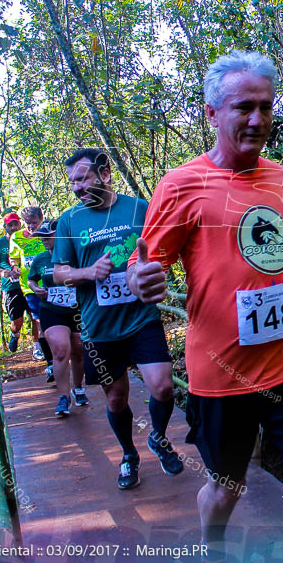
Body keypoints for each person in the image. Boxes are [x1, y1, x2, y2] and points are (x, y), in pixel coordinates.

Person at [126, 51, 283, 563]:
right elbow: (146, 262)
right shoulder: (181, 185)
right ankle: (212, 549)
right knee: (227, 489)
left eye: (266, 107)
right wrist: (141, 278)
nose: (257, 119)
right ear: (212, 114)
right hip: (222, 375)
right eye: (243, 107)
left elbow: (270, 242)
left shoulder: (275, 176)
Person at [53, 148, 183, 489]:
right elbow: (58, 274)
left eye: (83, 178)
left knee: (163, 386)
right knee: (116, 397)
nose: (77, 188)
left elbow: (161, 251)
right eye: (72, 182)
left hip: (141, 317)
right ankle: (129, 455)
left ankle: (158, 437)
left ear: (105, 174)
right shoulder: (69, 220)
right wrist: (87, 271)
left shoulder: (139, 208)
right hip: (100, 327)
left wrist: (152, 272)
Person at [28, 220, 89, 416]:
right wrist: (35, 288)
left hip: (76, 310)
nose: (45, 240)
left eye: (49, 236)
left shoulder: (76, 255)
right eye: (42, 237)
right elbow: (31, 278)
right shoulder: (40, 259)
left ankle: (78, 388)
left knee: (78, 350)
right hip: (51, 310)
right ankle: (64, 397)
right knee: (61, 350)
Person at [9, 206, 54, 381]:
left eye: (34, 223)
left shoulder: (49, 231)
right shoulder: (17, 237)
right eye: (27, 224)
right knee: (41, 322)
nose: (30, 227)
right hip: (30, 287)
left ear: (41, 219)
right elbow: (13, 257)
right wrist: (14, 268)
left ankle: (64, 357)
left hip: (54, 283)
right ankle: (50, 363)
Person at [0, 213, 26, 353]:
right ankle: (15, 334)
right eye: (10, 225)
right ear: (5, 226)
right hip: (11, 286)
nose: (14, 227)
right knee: (16, 321)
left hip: (30, 283)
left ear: (20, 224)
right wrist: (1, 271)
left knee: (37, 317)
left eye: (16, 224)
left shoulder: (30, 238)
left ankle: (38, 347)